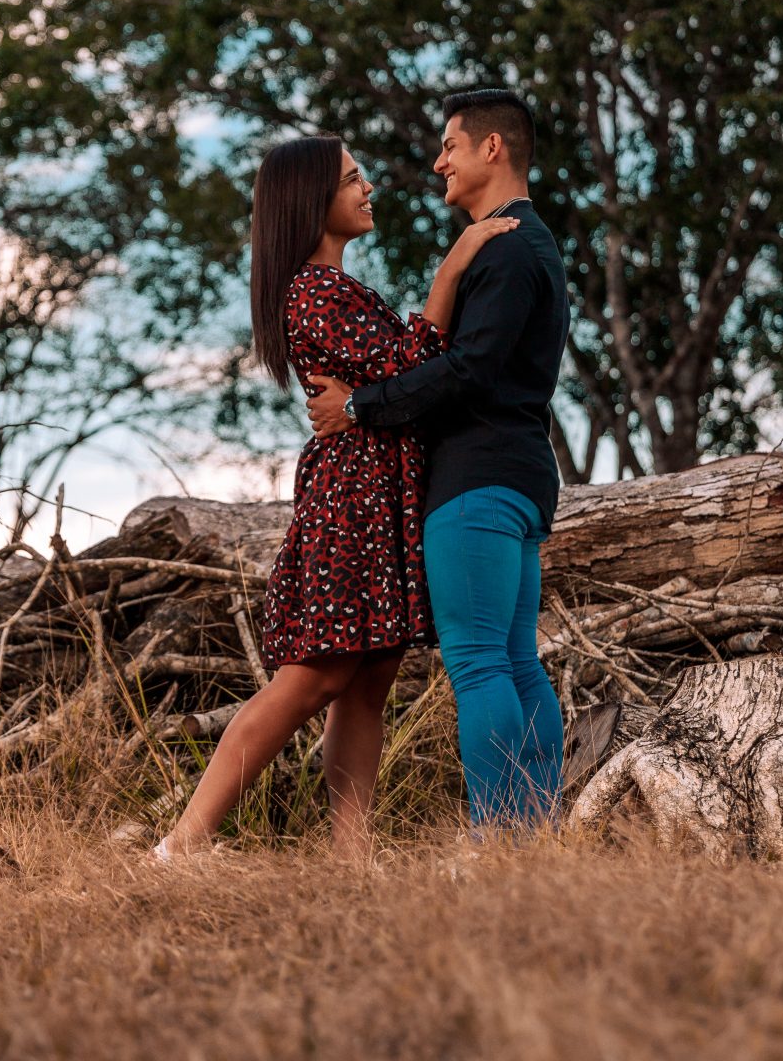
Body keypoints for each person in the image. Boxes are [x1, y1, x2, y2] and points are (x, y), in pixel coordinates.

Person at [153, 134, 519, 861]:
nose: (368, 189)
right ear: (311, 202)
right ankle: (182, 845)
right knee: (316, 674)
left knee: (369, 677)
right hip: (351, 501)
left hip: (381, 497)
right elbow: (419, 365)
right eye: (353, 180)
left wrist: (371, 398)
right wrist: (454, 266)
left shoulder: (342, 290)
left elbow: (395, 384)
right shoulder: (313, 293)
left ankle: (351, 859)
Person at [307, 89, 570, 828]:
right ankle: (536, 834)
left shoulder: (507, 247)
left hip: (478, 482)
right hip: (519, 475)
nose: (438, 162)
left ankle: (499, 836)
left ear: (493, 149)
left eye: (450, 145)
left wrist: (358, 406)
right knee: (517, 662)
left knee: (482, 663)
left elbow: (469, 370)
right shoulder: (528, 242)